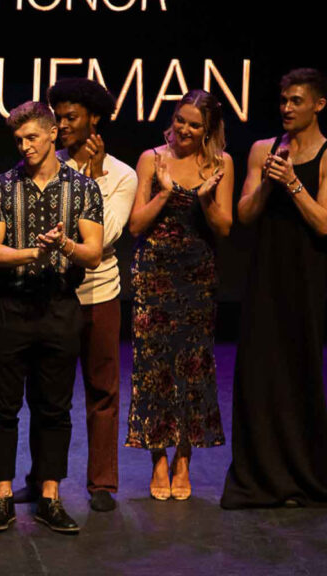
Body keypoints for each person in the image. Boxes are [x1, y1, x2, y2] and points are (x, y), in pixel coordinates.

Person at [0, 101, 104, 535]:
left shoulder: (83, 188)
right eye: (18, 140)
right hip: (11, 305)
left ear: (53, 134)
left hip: (59, 305)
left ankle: (50, 496)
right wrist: (36, 250)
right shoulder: (0, 186)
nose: (25, 145)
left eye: (32, 137)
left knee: (54, 407)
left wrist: (65, 245)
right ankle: (3, 496)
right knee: (4, 407)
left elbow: (94, 251)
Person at [23, 78, 137, 512]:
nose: (63, 125)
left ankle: (102, 483)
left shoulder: (122, 175)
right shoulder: (47, 168)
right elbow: (37, 226)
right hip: (52, 293)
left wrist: (89, 180)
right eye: (58, 118)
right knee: (46, 391)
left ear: (95, 120)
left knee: (102, 389)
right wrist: (77, 177)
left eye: (71, 118)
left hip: (99, 294)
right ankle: (40, 479)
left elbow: (103, 239)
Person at [223, 69, 327, 509]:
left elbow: (324, 223)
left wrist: (293, 182)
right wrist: (268, 181)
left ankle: (303, 477)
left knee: (299, 369)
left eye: (296, 101)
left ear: (318, 105)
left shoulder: (325, 154)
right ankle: (258, 479)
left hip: (307, 276)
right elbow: (244, 215)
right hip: (265, 274)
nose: (286, 108)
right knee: (259, 373)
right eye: (283, 100)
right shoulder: (264, 149)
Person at [126, 90, 233, 501]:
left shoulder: (220, 164)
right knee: (154, 369)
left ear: (208, 130)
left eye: (194, 124)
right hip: (155, 274)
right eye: (180, 120)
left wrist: (205, 197)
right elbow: (136, 225)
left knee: (192, 367)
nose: (183, 130)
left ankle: (184, 457)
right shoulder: (152, 158)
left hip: (197, 276)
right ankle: (157, 457)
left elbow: (223, 228)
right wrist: (166, 192)